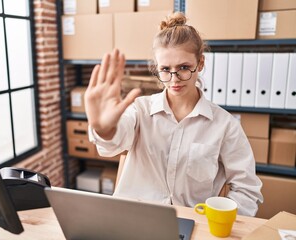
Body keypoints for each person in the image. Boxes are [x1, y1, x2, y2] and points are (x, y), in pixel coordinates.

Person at [84, 12, 263, 216]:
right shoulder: (139, 110)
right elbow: (111, 144)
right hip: (133, 220)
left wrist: (217, 223)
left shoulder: (225, 125)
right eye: (165, 69)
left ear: (200, 63)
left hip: (192, 225)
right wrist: (103, 130)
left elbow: (247, 190)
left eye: (184, 67)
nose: (174, 78)